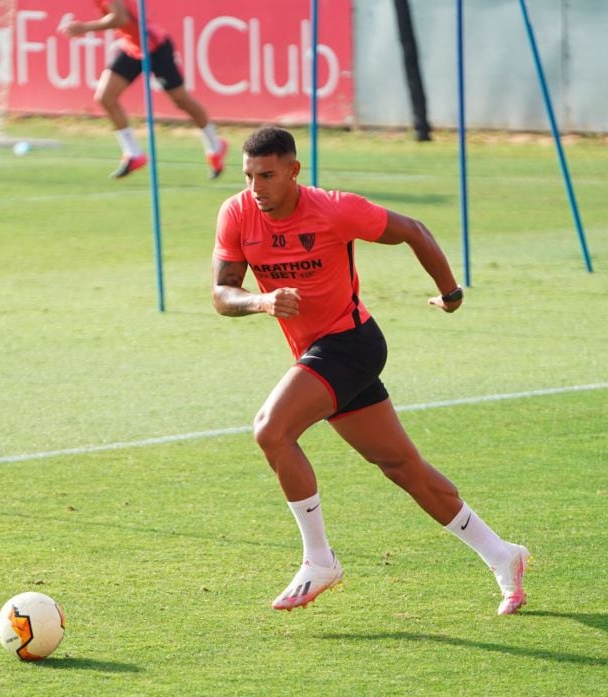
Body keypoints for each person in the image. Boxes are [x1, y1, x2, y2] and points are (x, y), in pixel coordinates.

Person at [210, 127, 529, 615]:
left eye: (268, 175)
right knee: (404, 469)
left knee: (271, 430)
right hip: (319, 353)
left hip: (352, 344)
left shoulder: (336, 208)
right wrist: (262, 300)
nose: (257, 188)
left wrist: (451, 293)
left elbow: (414, 231)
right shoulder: (236, 213)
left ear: (294, 171)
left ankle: (319, 559)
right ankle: (503, 555)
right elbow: (222, 293)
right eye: (250, 176)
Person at [61, 0, 228, 180]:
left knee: (181, 100)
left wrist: (84, 28)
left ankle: (215, 144)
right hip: (133, 47)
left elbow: (120, 18)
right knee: (105, 96)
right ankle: (133, 154)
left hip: (154, 45)